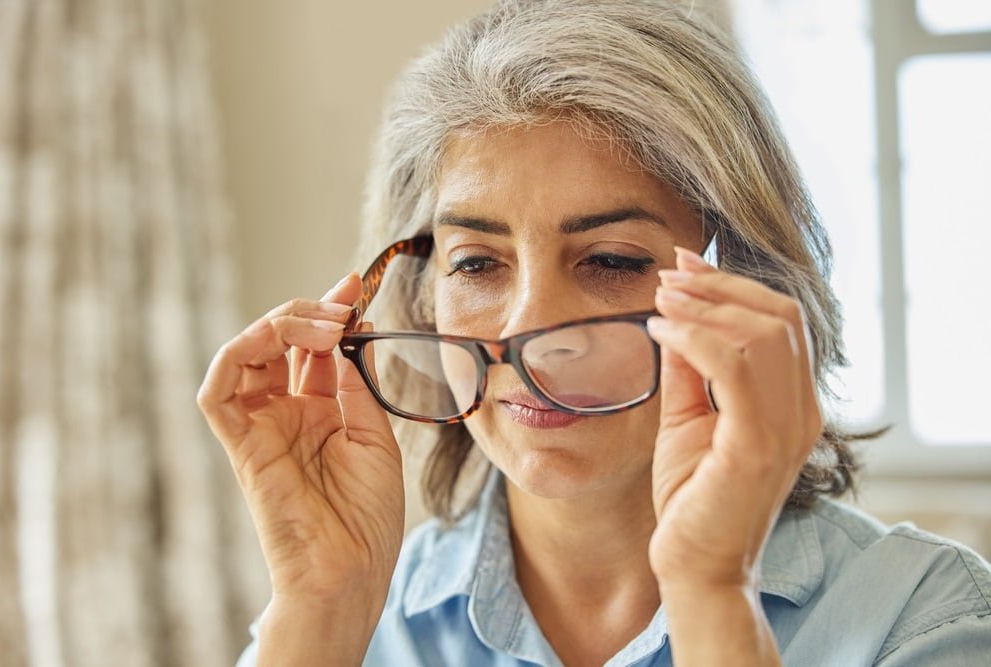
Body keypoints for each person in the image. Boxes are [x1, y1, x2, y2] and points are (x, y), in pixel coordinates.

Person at [197, 1, 991, 665]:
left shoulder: (923, 617)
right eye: (476, 264)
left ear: (748, 288)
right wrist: (320, 609)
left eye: (611, 258)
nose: (533, 326)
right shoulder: (357, 617)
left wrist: (713, 591)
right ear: (419, 294)